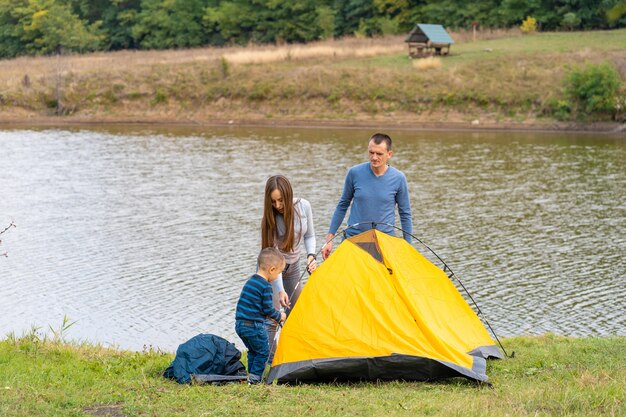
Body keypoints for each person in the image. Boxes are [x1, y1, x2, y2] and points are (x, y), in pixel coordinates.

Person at [321, 133, 412, 260]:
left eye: (379, 154)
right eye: (371, 152)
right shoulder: (354, 173)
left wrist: (408, 247)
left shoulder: (398, 178)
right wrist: (329, 240)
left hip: (384, 244)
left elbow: (405, 214)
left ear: (389, 154)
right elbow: (342, 206)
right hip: (353, 241)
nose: (374, 157)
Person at [261, 175, 317, 361]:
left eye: (280, 200)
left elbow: (309, 236)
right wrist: (280, 290)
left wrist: (311, 256)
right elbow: (273, 259)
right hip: (271, 271)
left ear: (288, 194)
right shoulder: (270, 217)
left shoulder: (304, 207)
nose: (277, 205)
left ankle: (295, 357)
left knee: (296, 313)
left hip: (293, 268)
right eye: (273, 201)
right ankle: (272, 362)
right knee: (272, 318)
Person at [235, 247, 287, 384]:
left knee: (253, 351)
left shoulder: (251, 281)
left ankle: (251, 377)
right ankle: (255, 380)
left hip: (240, 325)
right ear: (272, 270)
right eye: (279, 273)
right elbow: (268, 310)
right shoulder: (266, 287)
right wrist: (279, 316)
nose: (277, 277)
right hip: (254, 326)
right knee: (263, 352)